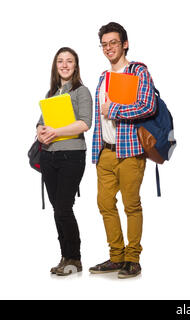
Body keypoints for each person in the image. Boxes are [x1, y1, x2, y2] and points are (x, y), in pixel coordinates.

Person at [88, 22, 156, 279]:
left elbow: (147, 105)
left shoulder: (138, 71)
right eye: (104, 44)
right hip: (105, 152)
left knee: (131, 205)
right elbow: (99, 120)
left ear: (124, 44)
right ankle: (116, 256)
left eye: (113, 43)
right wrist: (95, 154)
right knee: (104, 203)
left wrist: (114, 109)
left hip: (130, 151)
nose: (109, 48)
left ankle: (133, 259)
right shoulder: (103, 78)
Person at [37, 47, 93, 276]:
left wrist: (56, 131)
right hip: (49, 156)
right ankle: (64, 256)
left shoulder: (81, 91)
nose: (65, 64)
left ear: (76, 65)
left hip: (72, 155)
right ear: (55, 65)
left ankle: (75, 259)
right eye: (60, 61)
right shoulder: (51, 94)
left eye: (69, 61)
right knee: (56, 210)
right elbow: (40, 124)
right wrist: (40, 132)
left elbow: (85, 123)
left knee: (63, 209)